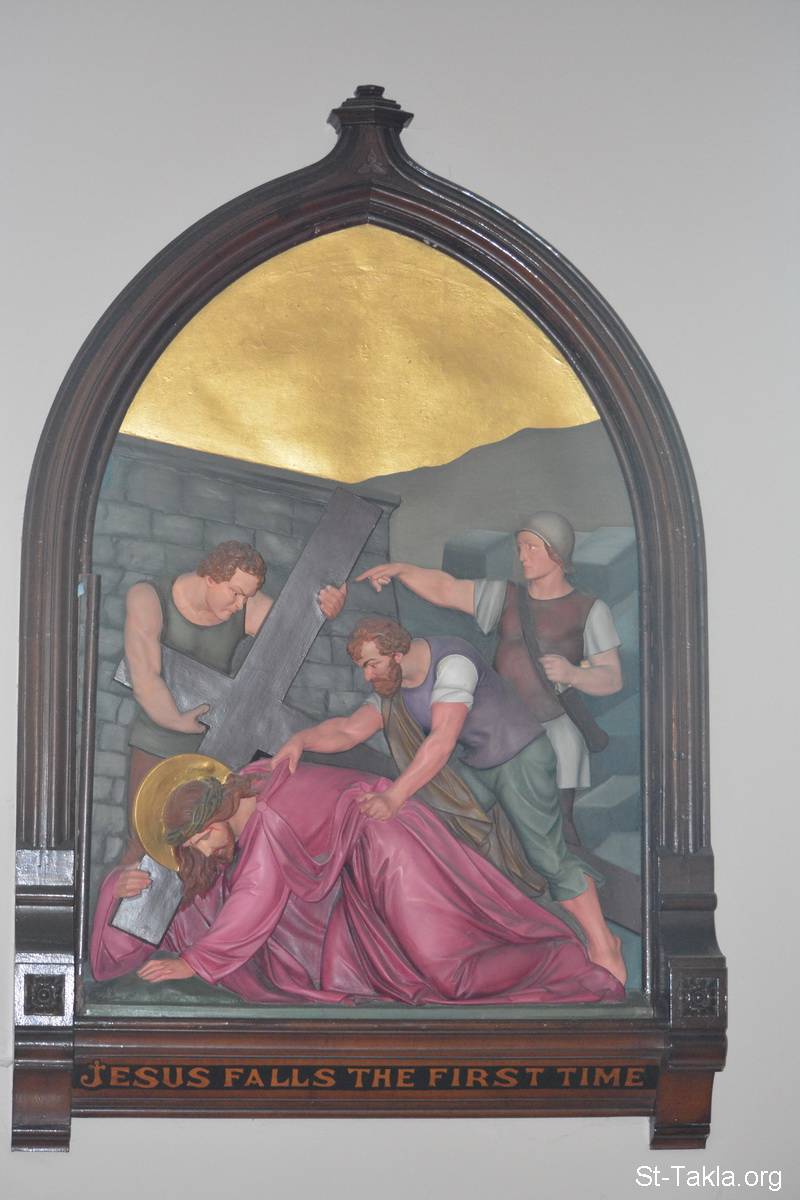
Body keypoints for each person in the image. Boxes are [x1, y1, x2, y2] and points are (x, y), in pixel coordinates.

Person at [91, 755, 624, 1005]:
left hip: (392, 850)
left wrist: (193, 963)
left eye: (201, 844)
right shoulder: (253, 783)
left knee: (451, 975)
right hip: (367, 866)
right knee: (401, 979)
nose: (209, 855)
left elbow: (255, 899)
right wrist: (120, 891)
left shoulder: (266, 820)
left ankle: (563, 960)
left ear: (210, 825)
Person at [270, 617, 626, 985]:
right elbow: (349, 729)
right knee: (439, 833)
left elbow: (442, 740)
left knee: (547, 857)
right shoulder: (394, 684)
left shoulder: (452, 662)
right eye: (364, 667)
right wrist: (302, 740)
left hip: (521, 757)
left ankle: (604, 944)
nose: (367, 675)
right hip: (478, 765)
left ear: (397, 654)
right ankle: (481, 938)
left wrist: (394, 796)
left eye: (371, 664)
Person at [356, 513, 623, 845]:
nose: (522, 556)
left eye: (531, 547)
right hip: (499, 732)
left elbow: (612, 679)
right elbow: (447, 589)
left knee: (556, 830)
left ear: (556, 552)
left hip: (554, 730)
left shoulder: (589, 610)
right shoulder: (507, 596)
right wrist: (402, 570)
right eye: (519, 547)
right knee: (482, 824)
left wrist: (573, 674)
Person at [123, 539, 346, 808]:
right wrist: (175, 720)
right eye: (236, 593)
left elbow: (293, 628)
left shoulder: (244, 606)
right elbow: (145, 675)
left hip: (217, 748)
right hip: (157, 743)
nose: (241, 604)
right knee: (148, 827)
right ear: (210, 578)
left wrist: (323, 608)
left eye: (247, 597)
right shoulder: (148, 598)